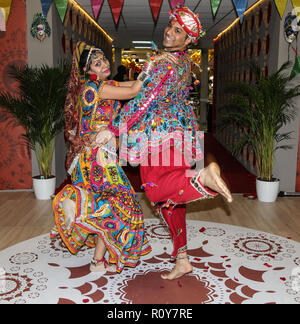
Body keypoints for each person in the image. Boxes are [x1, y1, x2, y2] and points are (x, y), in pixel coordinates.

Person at [108, 6, 233, 280]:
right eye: (171, 25)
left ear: (188, 41)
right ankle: (183, 259)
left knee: (154, 192)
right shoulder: (184, 62)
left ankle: (202, 179)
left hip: (157, 137)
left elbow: (143, 102)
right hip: (180, 135)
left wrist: (113, 130)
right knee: (171, 203)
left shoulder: (162, 62)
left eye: (179, 31)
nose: (169, 32)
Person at [51, 41, 154, 273]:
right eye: (97, 63)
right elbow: (133, 90)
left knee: (111, 205)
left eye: (104, 59)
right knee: (125, 203)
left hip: (95, 157)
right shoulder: (94, 88)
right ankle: (75, 204)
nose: (104, 64)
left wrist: (147, 78)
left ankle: (98, 260)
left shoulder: (102, 85)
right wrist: (151, 66)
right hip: (96, 158)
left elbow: (132, 84)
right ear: (88, 71)